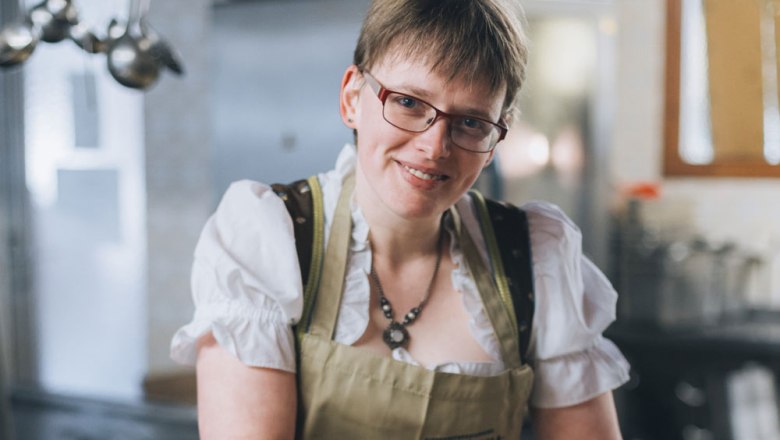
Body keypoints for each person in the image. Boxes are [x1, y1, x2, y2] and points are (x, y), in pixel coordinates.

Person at [171, 0, 630, 438]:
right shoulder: (268, 239)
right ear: (353, 97)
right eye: (409, 102)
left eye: (471, 122)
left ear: (495, 140)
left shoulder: (533, 258)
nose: (435, 147)